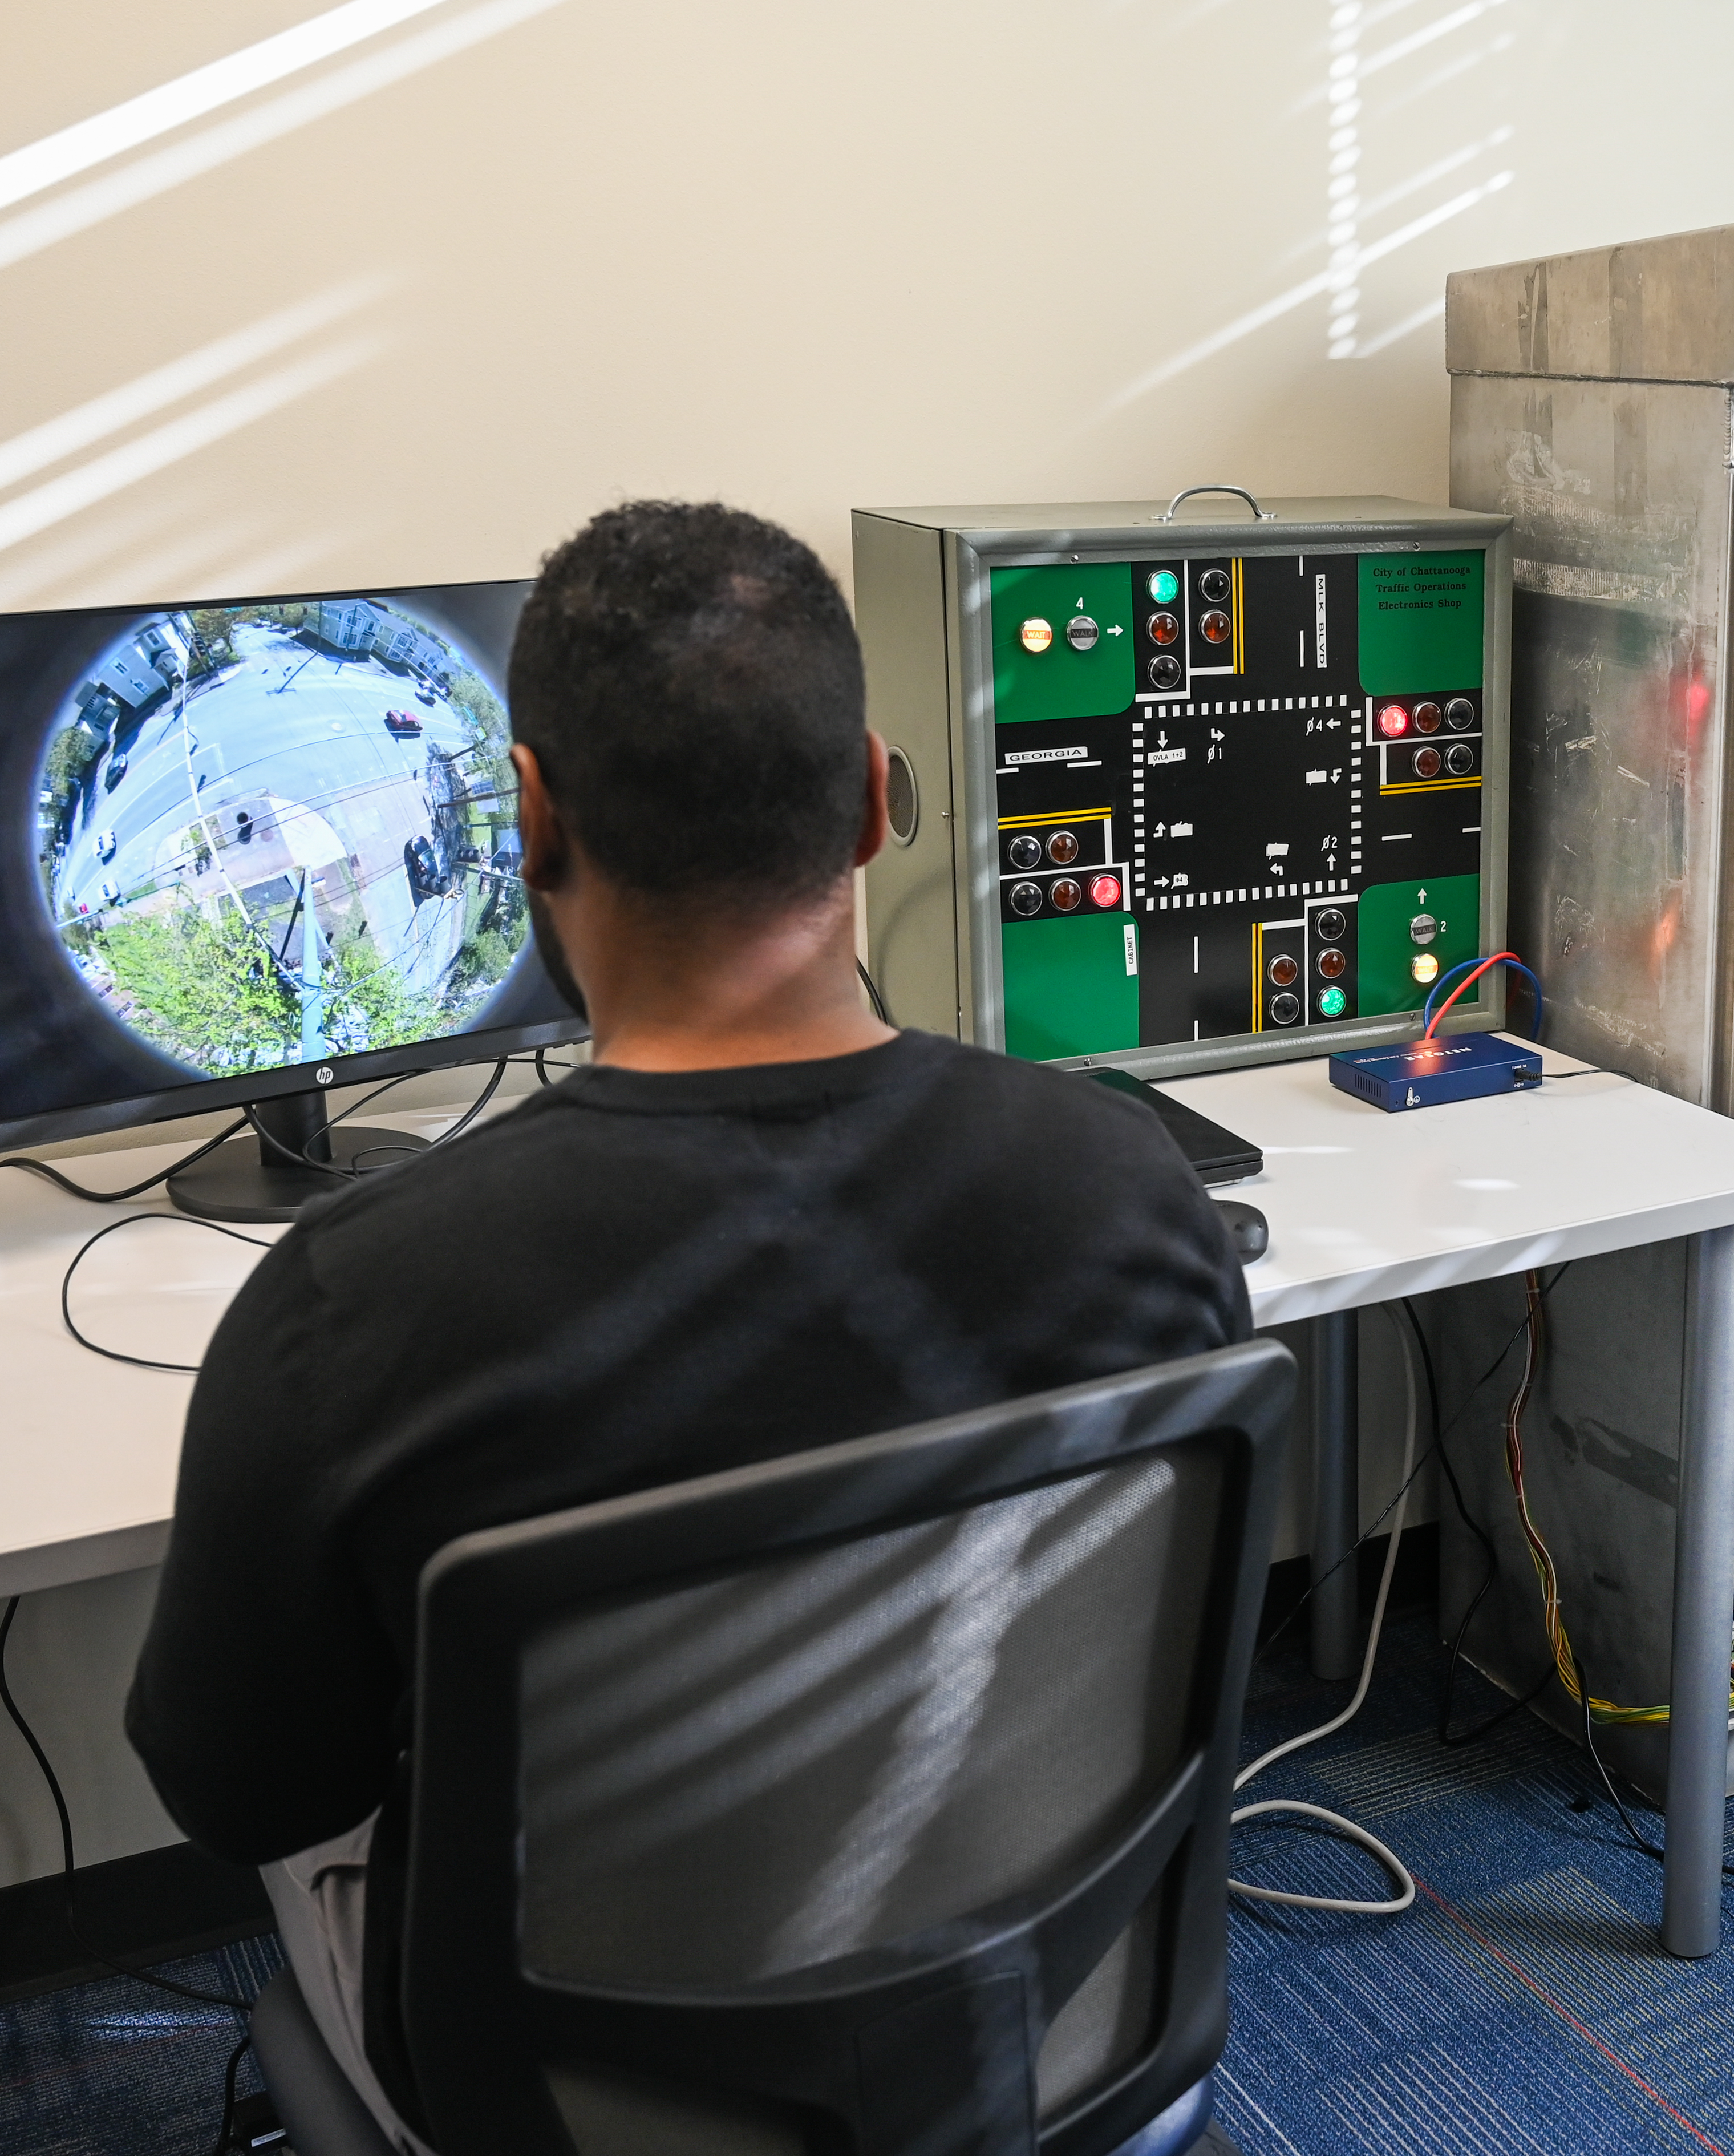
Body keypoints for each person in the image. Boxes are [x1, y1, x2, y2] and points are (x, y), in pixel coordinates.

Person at [126, 501, 1251, 2151]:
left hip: (587, 2107)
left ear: (524, 820)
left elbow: (244, 1793)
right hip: (1040, 2029)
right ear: (875, 800)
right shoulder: (1130, 1181)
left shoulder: (353, 1299)